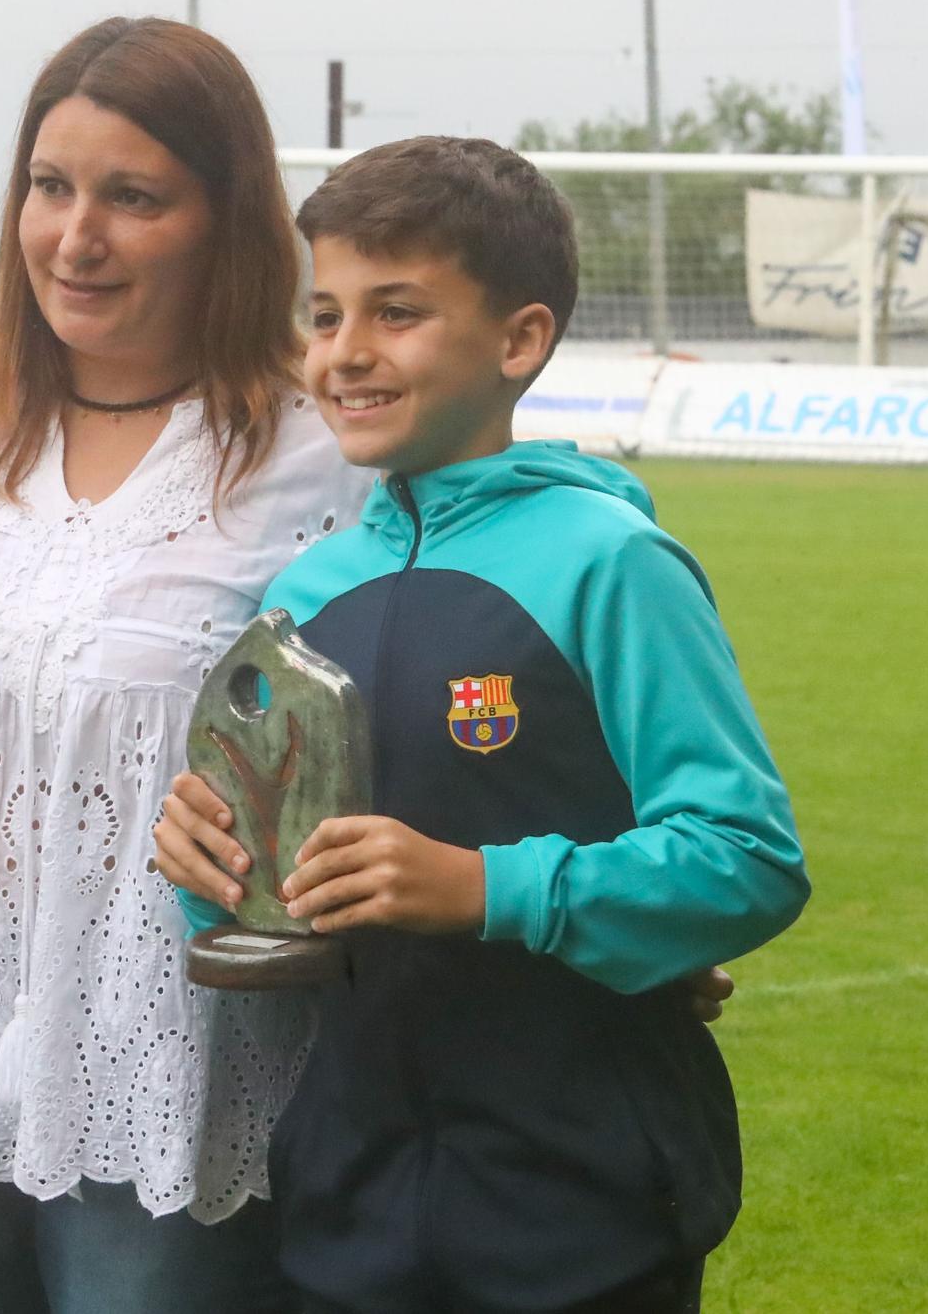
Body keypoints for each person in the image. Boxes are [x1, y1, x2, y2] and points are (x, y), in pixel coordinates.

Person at [0, 17, 732, 1313]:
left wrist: (613, 924)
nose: (75, 233)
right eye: (50, 187)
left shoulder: (325, 448)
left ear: (228, 223)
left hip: (178, 1058)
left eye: (133, 197)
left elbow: (473, 670)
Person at [152, 137, 809, 1313]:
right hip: (346, 1197)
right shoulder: (302, 594)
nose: (345, 351)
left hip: (580, 1195)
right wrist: (208, 868)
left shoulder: (608, 564)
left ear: (518, 340)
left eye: (395, 312)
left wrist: (483, 887)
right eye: (326, 313)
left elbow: (746, 860)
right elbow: (269, 891)